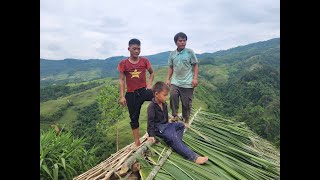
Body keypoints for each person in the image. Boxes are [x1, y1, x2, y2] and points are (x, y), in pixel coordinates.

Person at [147, 81, 208, 164]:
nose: (166, 97)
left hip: (166, 125)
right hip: (159, 128)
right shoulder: (151, 106)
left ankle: (176, 144)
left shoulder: (164, 104)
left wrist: (171, 123)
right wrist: (151, 135)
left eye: (166, 95)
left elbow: (165, 118)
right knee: (172, 137)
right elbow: (150, 122)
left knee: (180, 126)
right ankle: (193, 157)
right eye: (164, 95)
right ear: (156, 94)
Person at [118, 38, 154, 146]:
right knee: (134, 118)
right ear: (129, 49)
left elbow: (152, 73)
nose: (137, 51)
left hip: (143, 90)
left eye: (139, 49)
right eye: (134, 49)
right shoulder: (123, 63)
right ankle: (137, 142)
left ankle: (160, 125)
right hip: (131, 94)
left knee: (159, 98)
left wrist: (149, 84)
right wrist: (122, 96)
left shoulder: (144, 61)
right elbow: (121, 80)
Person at [166, 32, 199, 125]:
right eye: (180, 41)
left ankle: (186, 118)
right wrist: (168, 79)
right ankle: (175, 115)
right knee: (172, 96)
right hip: (175, 81)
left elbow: (195, 64)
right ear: (176, 42)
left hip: (187, 83)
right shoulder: (172, 54)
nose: (182, 42)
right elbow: (171, 67)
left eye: (184, 40)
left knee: (186, 103)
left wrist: (195, 78)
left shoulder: (190, 52)